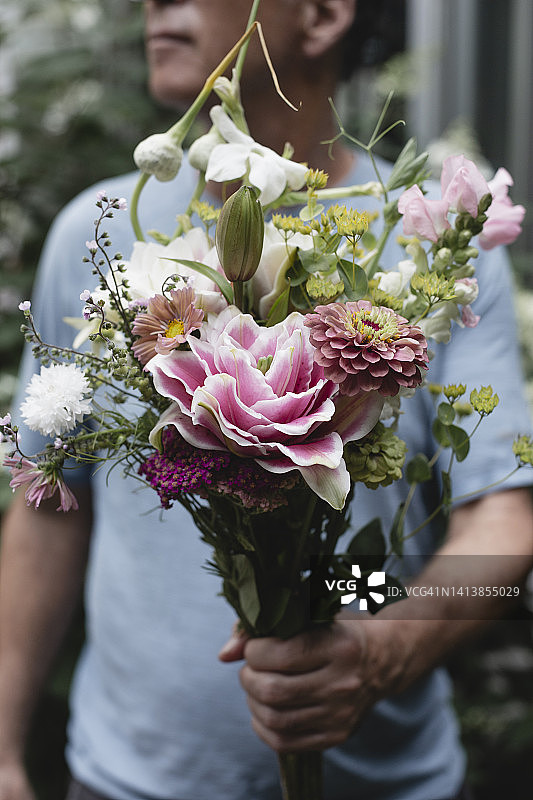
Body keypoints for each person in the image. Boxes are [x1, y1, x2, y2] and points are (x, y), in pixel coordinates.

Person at [1, 1, 532, 799]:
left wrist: (375, 648)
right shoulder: (96, 238)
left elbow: (503, 527)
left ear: (320, 14)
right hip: (124, 781)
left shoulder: (431, 246)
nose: (154, 3)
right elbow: (46, 507)